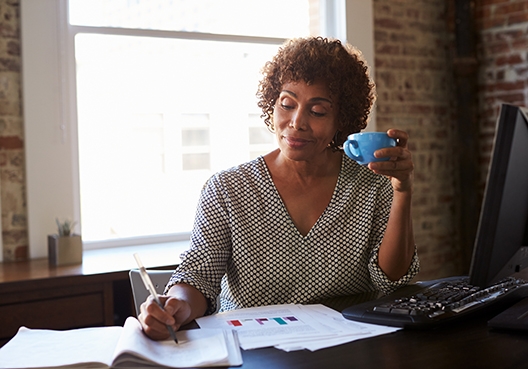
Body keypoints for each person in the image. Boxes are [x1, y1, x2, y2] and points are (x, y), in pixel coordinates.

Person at [139, 37, 419, 340]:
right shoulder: (227, 189)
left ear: (342, 120)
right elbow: (198, 275)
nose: (297, 122)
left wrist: (402, 191)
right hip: (253, 351)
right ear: (272, 103)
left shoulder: (372, 185)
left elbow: (392, 278)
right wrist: (176, 303)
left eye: (318, 111)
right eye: (287, 104)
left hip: (349, 349)